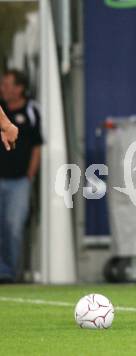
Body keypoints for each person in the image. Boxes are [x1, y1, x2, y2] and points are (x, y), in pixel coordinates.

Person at [0, 69, 42, 283]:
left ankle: (8, 273)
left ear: (20, 88)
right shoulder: (2, 108)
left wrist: (29, 175)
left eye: (7, 84)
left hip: (19, 180)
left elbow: (37, 145)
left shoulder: (32, 110)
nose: (3, 88)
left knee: (13, 226)